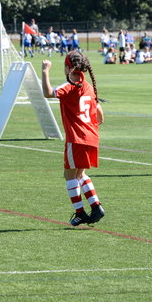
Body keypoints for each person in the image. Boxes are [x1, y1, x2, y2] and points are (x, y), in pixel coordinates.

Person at [41, 51, 105, 227]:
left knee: (69, 176)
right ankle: (96, 207)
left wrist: (45, 71)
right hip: (91, 136)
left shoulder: (70, 86)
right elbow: (99, 113)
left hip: (77, 138)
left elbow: (48, 93)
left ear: (68, 67)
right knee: (80, 174)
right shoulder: (88, 87)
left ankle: (80, 213)